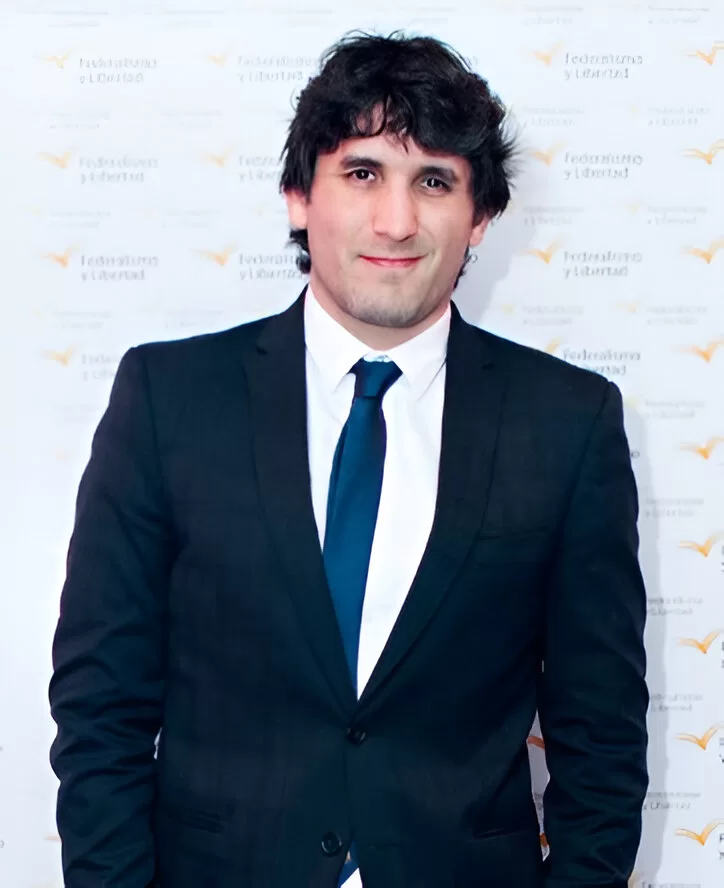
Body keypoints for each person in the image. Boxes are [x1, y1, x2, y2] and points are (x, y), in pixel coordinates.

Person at [49, 30, 649, 888]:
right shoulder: (168, 399)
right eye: (363, 173)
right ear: (300, 195)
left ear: (480, 217)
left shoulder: (569, 422)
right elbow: (100, 709)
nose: (396, 222)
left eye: (433, 181)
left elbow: (603, 740)